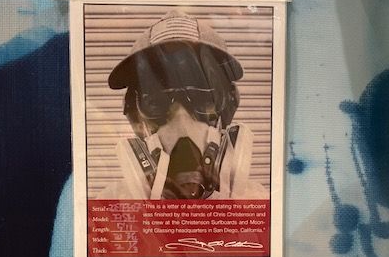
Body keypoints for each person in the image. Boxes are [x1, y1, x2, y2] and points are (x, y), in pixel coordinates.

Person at [99, 10, 268, 200]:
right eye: (156, 101)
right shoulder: (112, 203)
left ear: (227, 108)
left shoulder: (256, 200)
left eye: (203, 98)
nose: (181, 119)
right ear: (135, 116)